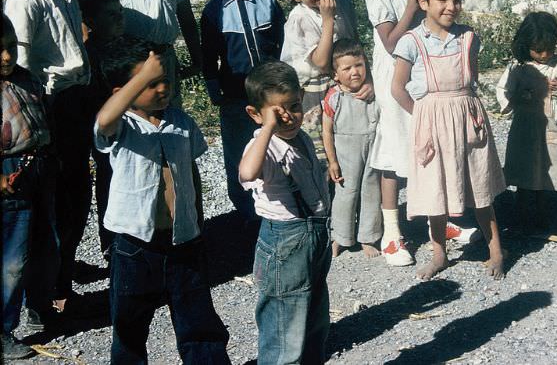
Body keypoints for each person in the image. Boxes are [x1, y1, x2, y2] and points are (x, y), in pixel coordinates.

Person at [95, 37, 230, 363]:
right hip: (134, 246)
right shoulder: (122, 127)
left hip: (183, 240)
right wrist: (141, 78)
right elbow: (104, 119)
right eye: (150, 83)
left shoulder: (181, 122)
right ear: (122, 92)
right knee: (130, 323)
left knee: (197, 318)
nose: (161, 88)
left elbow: (191, 175)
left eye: (163, 80)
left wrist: (197, 222)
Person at [366, 0, 476, 267]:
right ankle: (392, 234)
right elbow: (390, 41)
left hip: (426, 80)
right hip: (395, 82)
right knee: (395, 155)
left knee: (431, 149)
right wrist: (413, 3)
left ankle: (439, 224)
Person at [4, 0, 92, 319]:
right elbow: (16, 63)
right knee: (53, 199)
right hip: (48, 106)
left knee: (77, 192)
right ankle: (47, 289)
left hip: (76, 99)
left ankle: (63, 268)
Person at [391, 0, 506, 280]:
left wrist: (464, 110)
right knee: (435, 189)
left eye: (456, 0)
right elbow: (397, 88)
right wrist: (424, 116)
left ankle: (496, 249)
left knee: (479, 186)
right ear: (424, 2)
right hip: (431, 122)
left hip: (468, 119)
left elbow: (472, 79)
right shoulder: (411, 41)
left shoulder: (468, 38)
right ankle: (439, 252)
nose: (451, 6)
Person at [239, 61, 331, 364]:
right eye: (278, 112)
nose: (288, 117)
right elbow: (248, 172)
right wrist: (267, 127)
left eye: (294, 106)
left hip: (314, 237)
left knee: (315, 323)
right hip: (284, 243)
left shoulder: (300, 137)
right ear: (256, 114)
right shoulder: (264, 147)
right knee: (283, 332)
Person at [200, 0, 285, 220]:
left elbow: (281, 42)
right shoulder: (213, 13)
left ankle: (280, 204)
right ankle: (247, 214)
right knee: (238, 154)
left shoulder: (266, 0)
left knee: (275, 144)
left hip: (269, 91)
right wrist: (214, 89)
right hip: (235, 95)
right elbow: (209, 55)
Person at [1, 16, 56, 360]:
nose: (6, 57)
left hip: (39, 167)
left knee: (46, 245)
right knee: (11, 258)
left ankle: (40, 307)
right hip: (9, 176)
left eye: (9, 48)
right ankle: (3, 330)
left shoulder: (27, 79)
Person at [279, 0, 368, 162]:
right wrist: (327, 19)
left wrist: (367, 78)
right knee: (323, 151)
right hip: (316, 90)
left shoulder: (342, 5)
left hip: (345, 80)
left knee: (348, 141)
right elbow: (320, 62)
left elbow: (354, 43)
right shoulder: (300, 17)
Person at [495, 12, 557, 232]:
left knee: (551, 169)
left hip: (553, 127)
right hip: (526, 127)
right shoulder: (519, 67)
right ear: (526, 45)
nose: (544, 54)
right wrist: (522, 95)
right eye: (538, 49)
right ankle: (523, 216)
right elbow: (504, 92)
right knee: (525, 170)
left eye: (549, 48)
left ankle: (548, 215)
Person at [77, 0, 126, 260]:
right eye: (111, 14)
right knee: (109, 182)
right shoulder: (88, 57)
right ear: (91, 21)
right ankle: (111, 242)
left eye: (121, 11)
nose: (120, 18)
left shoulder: (128, 48)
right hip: (104, 136)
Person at [321, 39, 382, 258]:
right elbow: (326, 131)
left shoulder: (374, 92)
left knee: (371, 192)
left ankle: (369, 236)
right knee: (346, 193)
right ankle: (341, 237)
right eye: (347, 68)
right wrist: (332, 161)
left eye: (359, 65)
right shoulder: (334, 97)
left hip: (373, 148)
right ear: (336, 74)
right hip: (346, 153)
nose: (355, 72)